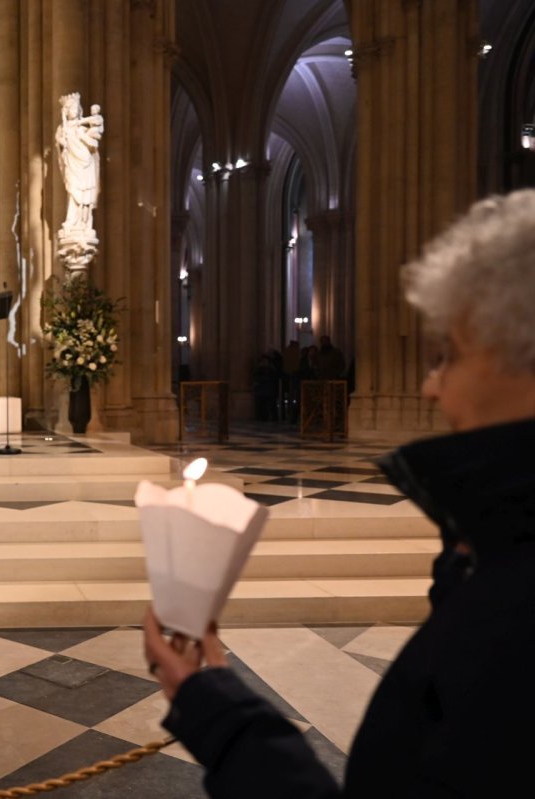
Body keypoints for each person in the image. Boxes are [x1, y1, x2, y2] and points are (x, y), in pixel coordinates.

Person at [142, 189, 535, 797]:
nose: (429, 387)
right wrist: (215, 701)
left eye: (449, 356)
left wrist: (223, 721)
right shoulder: (485, 551)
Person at [55, 92, 104, 233]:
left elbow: (94, 145)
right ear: (66, 111)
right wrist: (62, 142)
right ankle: (72, 221)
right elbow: (60, 142)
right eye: (71, 109)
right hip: (72, 165)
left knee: (85, 194)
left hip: (85, 164)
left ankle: (84, 221)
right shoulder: (62, 129)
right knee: (73, 191)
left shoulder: (83, 128)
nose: (74, 111)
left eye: (76, 109)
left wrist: (83, 136)